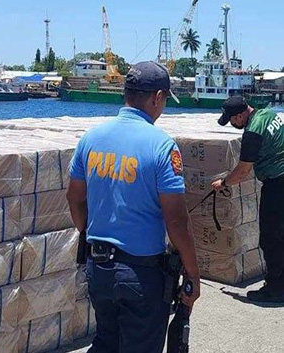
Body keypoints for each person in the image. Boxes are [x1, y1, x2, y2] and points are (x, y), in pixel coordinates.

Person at [67, 61, 200, 353]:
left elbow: (74, 197)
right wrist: (192, 272)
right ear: (157, 98)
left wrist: (87, 230)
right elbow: (176, 221)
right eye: (165, 100)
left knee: (106, 341)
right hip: (141, 275)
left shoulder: (90, 139)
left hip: (98, 268)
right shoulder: (162, 146)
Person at [211, 96, 284, 303]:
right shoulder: (268, 114)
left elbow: (243, 170)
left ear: (242, 114)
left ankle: (275, 289)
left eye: (232, 120)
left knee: (271, 238)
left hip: (277, 183)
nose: (232, 124)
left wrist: (223, 183)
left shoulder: (252, 132)